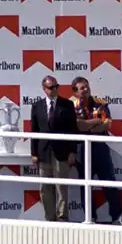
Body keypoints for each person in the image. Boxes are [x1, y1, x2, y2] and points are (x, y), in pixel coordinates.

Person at [71, 77, 122, 225]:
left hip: (100, 148)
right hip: (82, 149)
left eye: (87, 86)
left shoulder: (100, 103)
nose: (86, 89)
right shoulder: (72, 106)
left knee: (109, 183)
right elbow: (77, 126)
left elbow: (107, 125)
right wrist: (95, 122)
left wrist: (86, 125)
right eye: (82, 88)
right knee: (85, 185)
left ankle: (116, 217)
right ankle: (90, 217)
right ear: (75, 91)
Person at [29, 75, 80, 222]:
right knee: (45, 187)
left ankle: (62, 216)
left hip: (62, 151)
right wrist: (34, 154)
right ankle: (49, 217)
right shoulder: (37, 106)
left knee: (61, 186)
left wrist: (72, 151)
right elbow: (34, 131)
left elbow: (72, 129)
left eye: (56, 86)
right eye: (51, 87)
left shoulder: (67, 105)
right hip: (43, 150)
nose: (55, 89)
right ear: (44, 89)